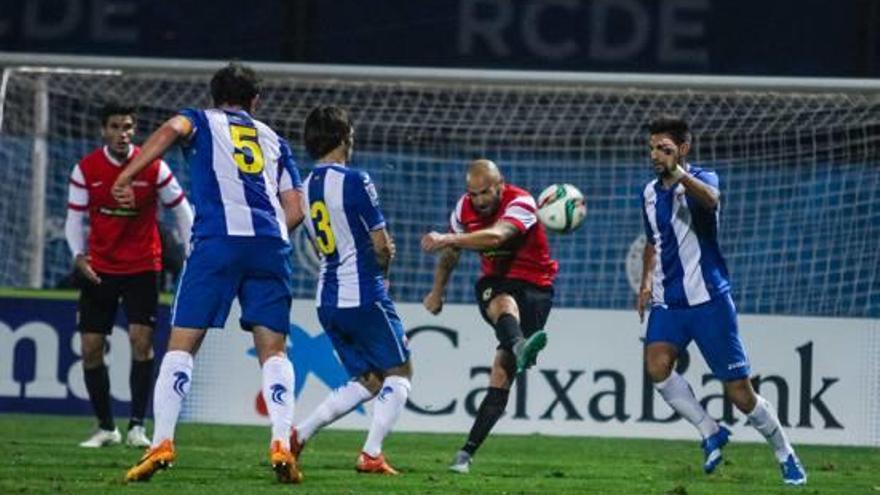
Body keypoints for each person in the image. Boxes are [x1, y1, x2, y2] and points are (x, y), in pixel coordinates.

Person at [112, 63, 306, 484]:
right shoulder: (275, 139)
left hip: (217, 241)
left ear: (214, 96)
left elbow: (169, 131)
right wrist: (266, 237)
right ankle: (280, 443)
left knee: (181, 346)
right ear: (255, 101)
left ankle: (161, 441)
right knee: (275, 351)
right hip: (271, 245)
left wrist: (127, 174)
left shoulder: (198, 119)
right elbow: (297, 209)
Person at [637, 116, 807, 486]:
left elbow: (711, 201)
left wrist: (679, 173)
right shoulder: (648, 193)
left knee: (740, 394)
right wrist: (646, 281)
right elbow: (654, 241)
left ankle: (784, 452)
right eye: (652, 147)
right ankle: (710, 430)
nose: (655, 155)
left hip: (709, 301)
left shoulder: (703, 179)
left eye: (663, 148)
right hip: (670, 303)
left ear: (683, 149)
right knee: (656, 365)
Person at [290, 105, 412, 475]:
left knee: (370, 380)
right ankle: (371, 453)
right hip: (362, 292)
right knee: (400, 373)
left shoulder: (304, 187)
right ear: (345, 139)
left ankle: (298, 435)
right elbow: (381, 245)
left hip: (327, 298)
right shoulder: (356, 180)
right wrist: (385, 272)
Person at [65, 102, 193, 449]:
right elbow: (73, 220)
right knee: (91, 348)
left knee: (141, 342)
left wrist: (193, 250)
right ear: (103, 131)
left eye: (128, 127)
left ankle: (137, 426)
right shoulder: (86, 169)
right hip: (99, 269)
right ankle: (106, 427)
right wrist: (78, 256)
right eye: (115, 127)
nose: (122, 134)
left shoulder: (154, 166)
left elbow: (182, 209)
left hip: (142, 266)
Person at [421, 159, 556, 474]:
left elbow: (497, 236)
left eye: (485, 193)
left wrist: (447, 237)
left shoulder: (521, 202)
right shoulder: (463, 210)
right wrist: (437, 291)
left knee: (501, 374)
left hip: (537, 288)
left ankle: (467, 452)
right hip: (497, 282)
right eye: (473, 194)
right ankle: (464, 455)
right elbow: (451, 255)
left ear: (500, 185)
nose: (478, 200)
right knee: (500, 301)